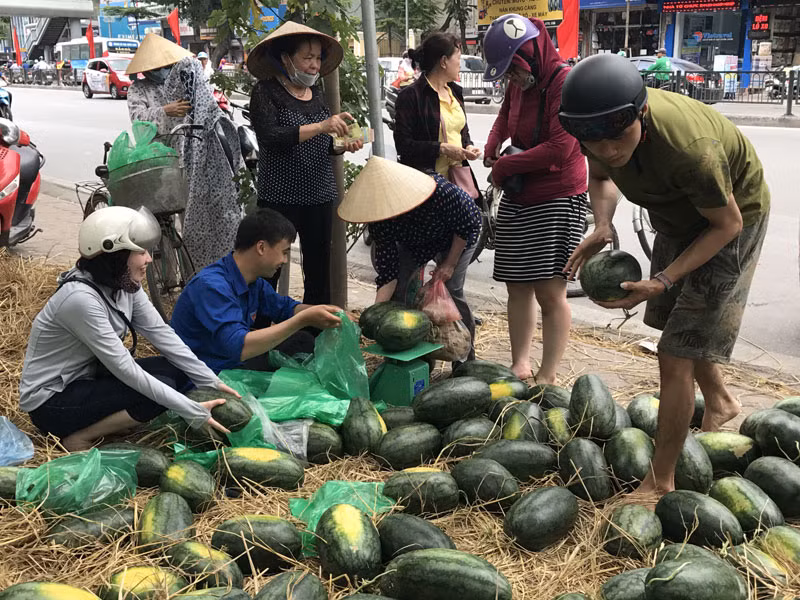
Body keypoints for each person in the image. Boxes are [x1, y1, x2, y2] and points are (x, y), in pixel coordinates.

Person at [559, 54, 770, 496]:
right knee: (673, 326)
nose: (610, 149)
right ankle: (720, 401)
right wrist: (602, 224)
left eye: (619, 137)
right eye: (597, 142)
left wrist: (665, 279)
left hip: (729, 222)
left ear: (642, 113)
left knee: (674, 354)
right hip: (676, 215)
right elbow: (600, 177)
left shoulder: (691, 150)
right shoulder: (596, 129)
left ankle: (660, 481)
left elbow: (726, 224)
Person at [18, 207, 239, 452]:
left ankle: (111, 419)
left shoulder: (124, 285)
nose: (149, 259)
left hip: (88, 380)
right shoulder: (80, 300)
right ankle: (79, 437)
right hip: (51, 403)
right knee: (156, 392)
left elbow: (162, 334)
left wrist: (211, 381)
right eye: (140, 251)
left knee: (176, 371)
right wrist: (190, 409)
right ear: (114, 254)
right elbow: (125, 370)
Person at [481, 14, 588, 383]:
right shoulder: (519, 84)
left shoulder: (564, 82)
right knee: (517, 284)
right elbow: (503, 116)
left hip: (557, 196)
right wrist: (493, 143)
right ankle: (519, 363)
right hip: (521, 192)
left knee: (549, 290)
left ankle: (548, 374)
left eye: (513, 68)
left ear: (530, 54)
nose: (512, 78)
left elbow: (560, 148)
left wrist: (506, 168)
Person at [247, 21, 363, 306]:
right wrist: (322, 126)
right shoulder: (266, 92)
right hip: (280, 196)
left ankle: (312, 334)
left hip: (319, 195)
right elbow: (271, 137)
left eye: (318, 57)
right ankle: (259, 330)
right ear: (286, 59)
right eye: (307, 57)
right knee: (268, 269)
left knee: (318, 269)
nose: (314, 64)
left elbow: (324, 145)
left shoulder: (317, 94)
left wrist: (341, 145)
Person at [339, 156, 482, 361]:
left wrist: (449, 264)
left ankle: (465, 358)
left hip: (458, 237)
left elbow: (468, 224)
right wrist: (374, 314)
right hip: (417, 242)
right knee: (400, 289)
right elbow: (389, 272)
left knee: (452, 290)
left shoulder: (440, 191)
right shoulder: (381, 220)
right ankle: (407, 354)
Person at [171, 209, 342, 373]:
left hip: (231, 361)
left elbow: (285, 308)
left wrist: (326, 312)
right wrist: (303, 320)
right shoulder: (211, 286)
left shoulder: (253, 283)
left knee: (302, 342)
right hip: (207, 372)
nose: (285, 260)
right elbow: (240, 347)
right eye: (284, 252)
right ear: (261, 247)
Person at [126, 33, 243, 272]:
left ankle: (194, 274)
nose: (162, 70)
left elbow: (204, 110)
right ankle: (165, 276)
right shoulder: (138, 90)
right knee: (159, 222)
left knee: (190, 221)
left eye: (166, 65)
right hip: (159, 160)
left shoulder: (183, 81)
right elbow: (138, 123)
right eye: (157, 66)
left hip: (188, 157)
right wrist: (165, 111)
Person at [394, 33, 481, 190]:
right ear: (443, 62)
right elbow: (403, 145)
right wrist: (441, 148)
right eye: (458, 59)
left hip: (457, 180)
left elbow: (463, 132)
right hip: (425, 186)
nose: (460, 65)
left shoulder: (455, 92)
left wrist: (468, 146)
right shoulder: (411, 96)